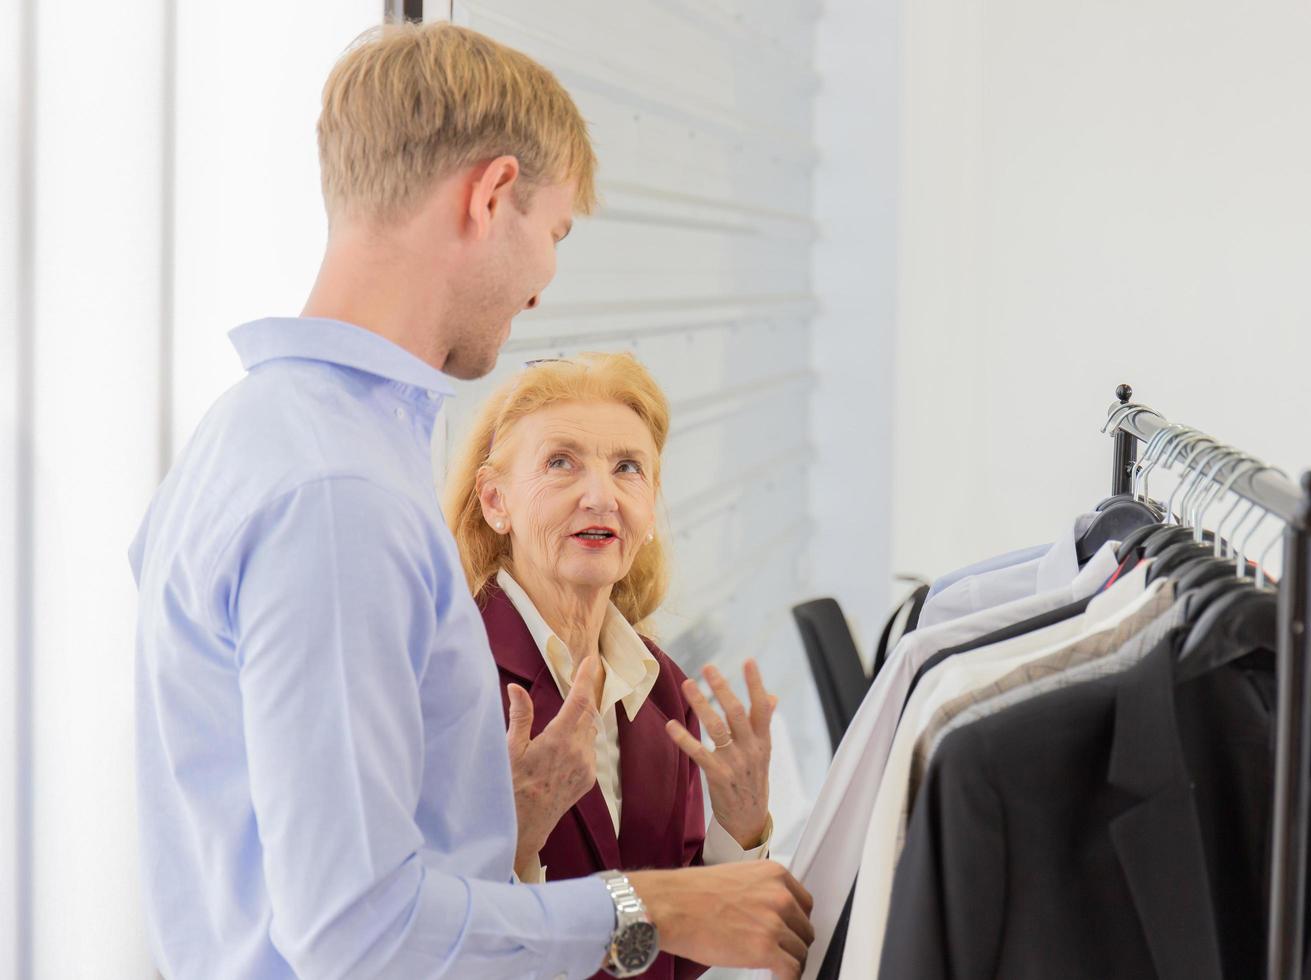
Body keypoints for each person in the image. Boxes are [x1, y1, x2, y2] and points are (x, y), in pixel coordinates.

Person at [129, 21, 813, 980]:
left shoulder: (256, 439)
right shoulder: (339, 496)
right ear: (492, 196)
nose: (546, 282)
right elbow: (357, 935)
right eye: (555, 232)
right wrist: (651, 906)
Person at [445, 353, 778, 980]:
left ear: (649, 505)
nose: (601, 496)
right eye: (560, 463)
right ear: (496, 501)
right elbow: (417, 945)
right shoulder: (450, 680)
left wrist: (739, 826)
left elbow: (667, 956)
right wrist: (516, 842)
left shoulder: (661, 690)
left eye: (628, 468)